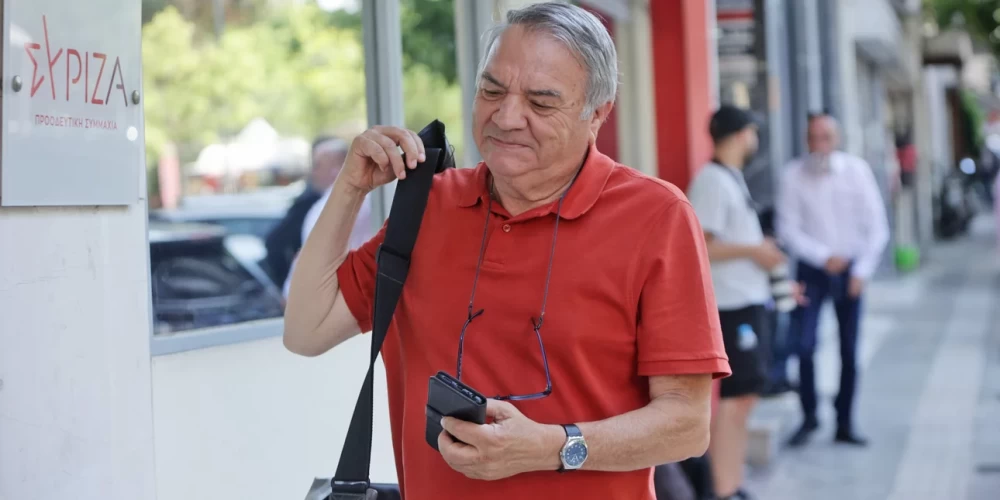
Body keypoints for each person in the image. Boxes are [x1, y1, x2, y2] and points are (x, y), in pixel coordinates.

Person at [283, 4, 731, 499]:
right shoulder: (429, 206)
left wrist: (552, 447)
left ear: (597, 113)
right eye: (491, 90)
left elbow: (687, 425)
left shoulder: (656, 216)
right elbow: (306, 330)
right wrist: (349, 188)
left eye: (541, 102)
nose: (507, 116)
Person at [686, 105, 788, 500]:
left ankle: (733, 483)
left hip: (748, 300)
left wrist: (760, 254)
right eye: (753, 132)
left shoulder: (730, 178)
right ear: (743, 134)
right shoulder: (711, 181)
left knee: (745, 398)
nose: (755, 140)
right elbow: (703, 246)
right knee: (735, 400)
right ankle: (722, 489)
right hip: (731, 306)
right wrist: (754, 251)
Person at [776, 112, 890, 447]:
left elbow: (877, 226)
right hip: (813, 271)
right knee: (805, 345)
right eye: (813, 137)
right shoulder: (792, 175)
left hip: (852, 271)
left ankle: (845, 421)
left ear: (836, 138)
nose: (819, 144)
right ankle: (809, 415)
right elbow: (788, 228)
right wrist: (823, 256)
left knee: (849, 350)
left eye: (825, 136)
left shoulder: (857, 171)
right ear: (806, 140)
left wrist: (862, 271)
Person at [264, 136, 349, 287]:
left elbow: (275, 242)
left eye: (317, 166)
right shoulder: (317, 205)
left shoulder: (321, 207)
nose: (313, 173)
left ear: (337, 169)